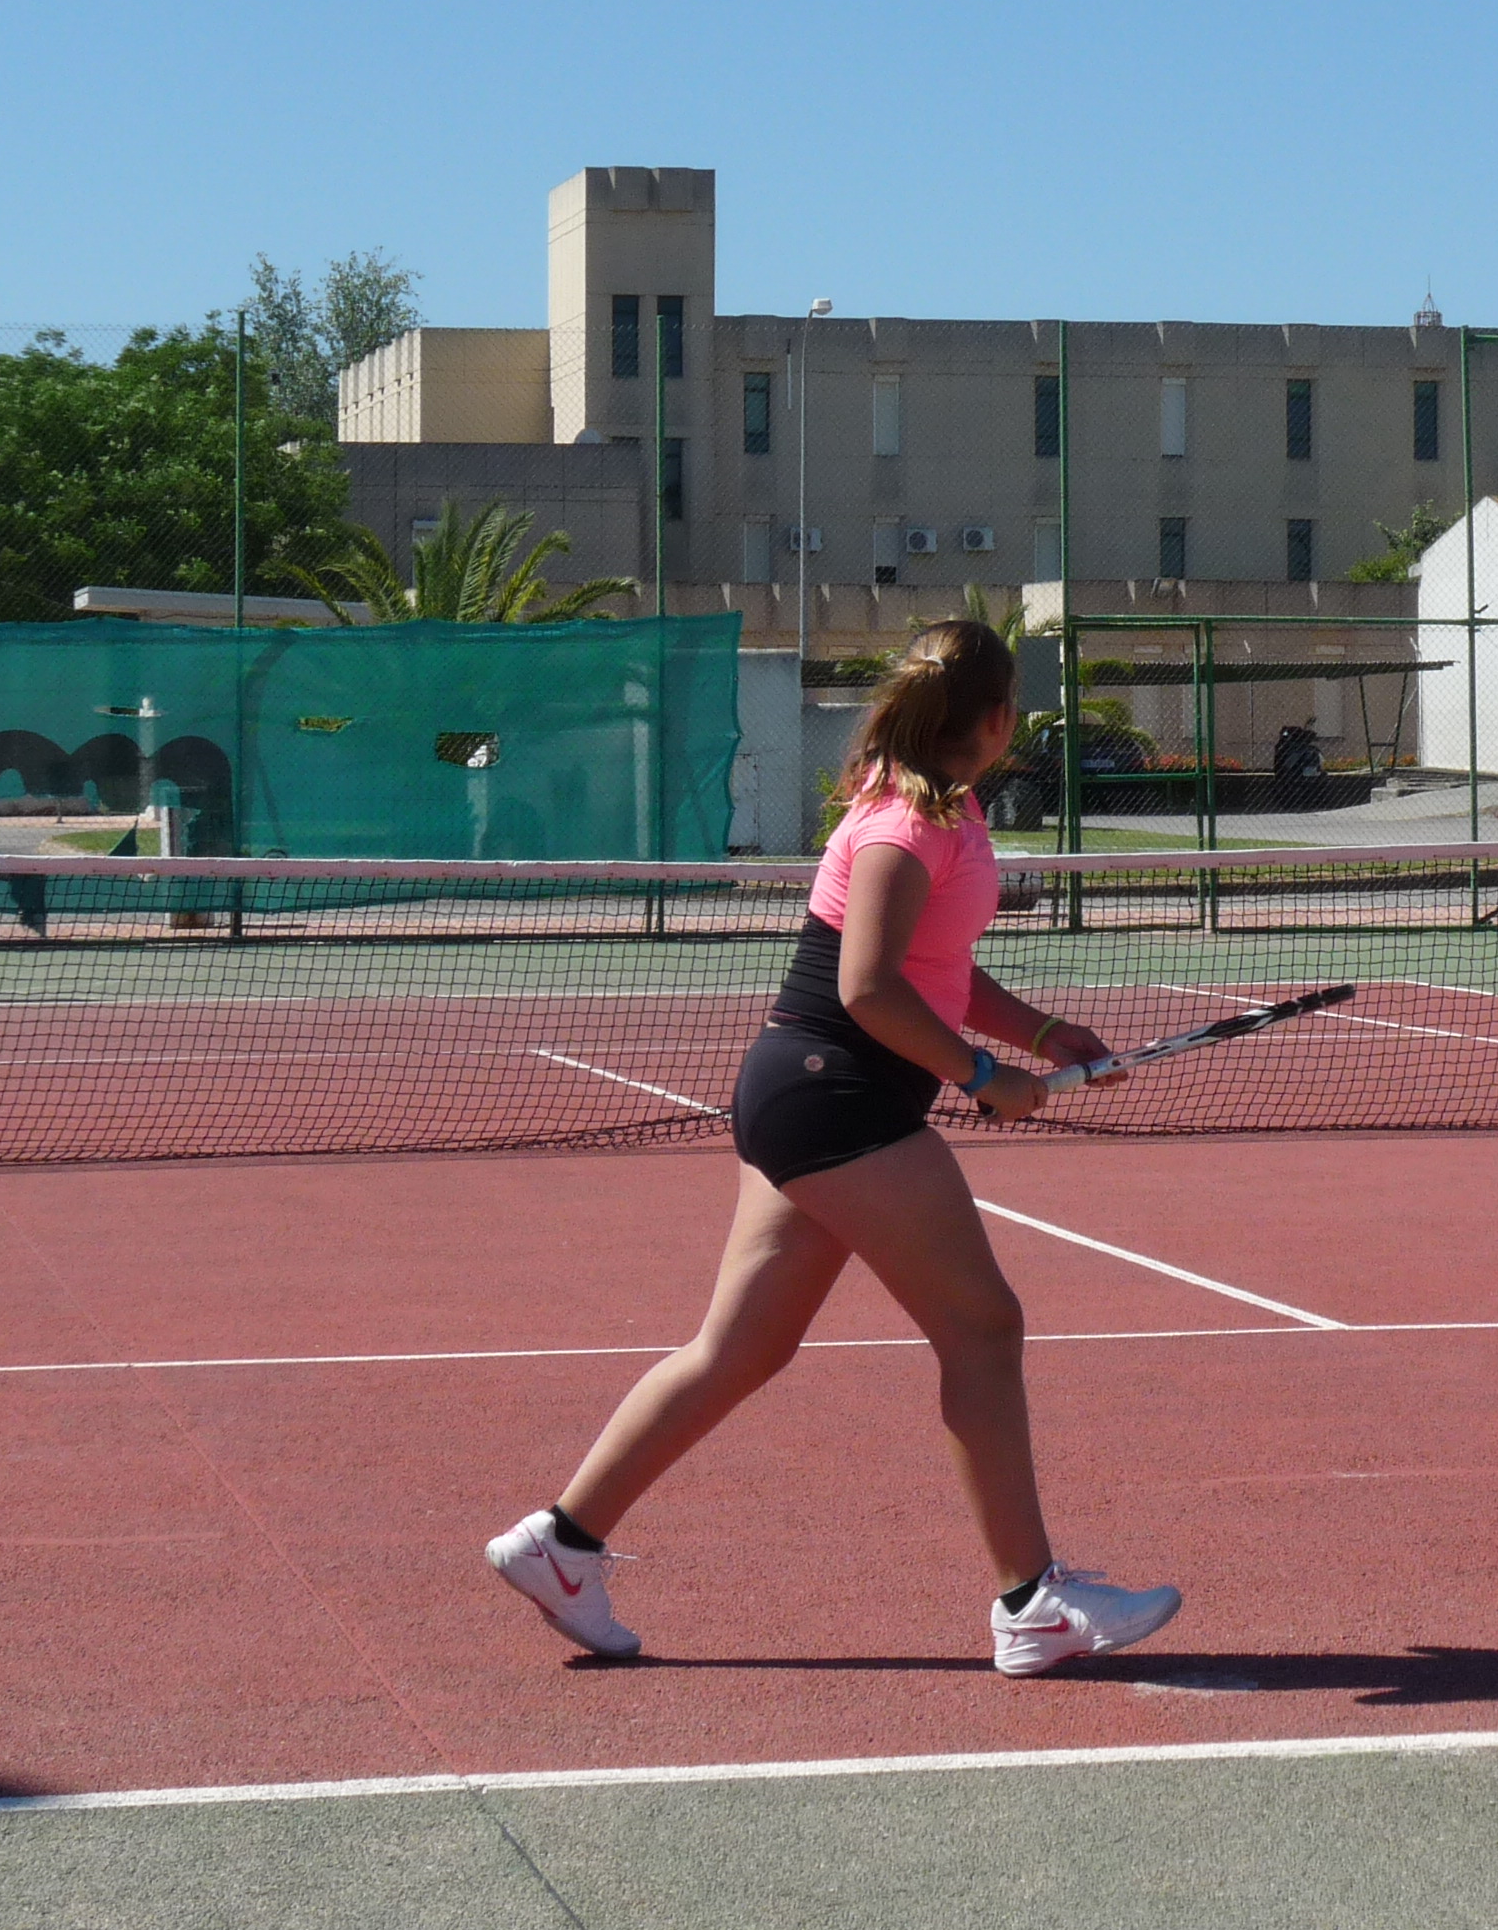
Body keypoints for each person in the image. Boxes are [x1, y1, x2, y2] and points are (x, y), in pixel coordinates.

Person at [487, 620, 1184, 1677]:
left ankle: (560, 1544)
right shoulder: (907, 825)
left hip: (808, 1095)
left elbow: (939, 968)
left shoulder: (939, 809)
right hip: (836, 1097)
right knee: (983, 1326)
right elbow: (868, 987)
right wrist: (983, 1078)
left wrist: (1040, 1033)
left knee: (742, 1349)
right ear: (1000, 718)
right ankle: (1031, 1603)